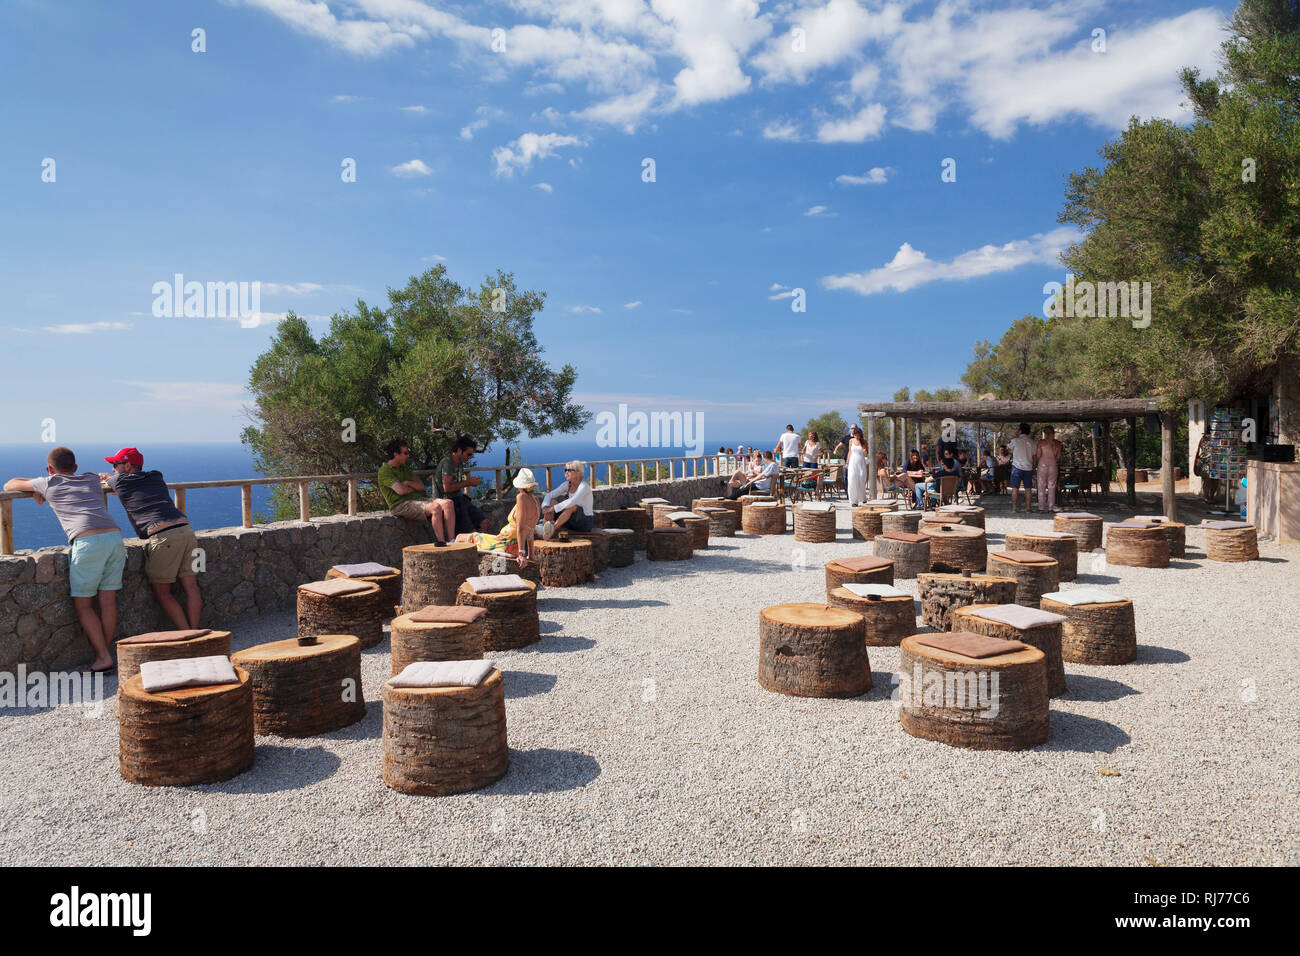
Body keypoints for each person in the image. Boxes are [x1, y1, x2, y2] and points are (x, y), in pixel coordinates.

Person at [5, 447, 122, 672]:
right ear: (75, 467)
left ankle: (103, 656)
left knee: (84, 605)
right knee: (107, 601)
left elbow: (9, 484)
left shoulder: (48, 482)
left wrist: (41, 485)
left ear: (50, 469)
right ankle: (105, 654)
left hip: (88, 542)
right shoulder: (89, 478)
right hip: (114, 537)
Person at [98, 447, 201, 630]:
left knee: (163, 593)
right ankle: (197, 630)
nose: (113, 468)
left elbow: (111, 483)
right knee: (191, 586)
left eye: (116, 464)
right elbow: (130, 487)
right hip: (187, 532)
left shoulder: (119, 481)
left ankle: (188, 634)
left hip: (164, 538)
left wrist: (106, 478)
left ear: (127, 465)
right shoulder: (156, 476)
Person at [459, 468, 541, 568]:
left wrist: (521, 554)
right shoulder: (536, 500)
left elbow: (520, 528)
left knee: (461, 537)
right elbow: (530, 530)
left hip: (504, 543)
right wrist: (530, 555)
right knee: (470, 537)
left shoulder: (521, 497)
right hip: (511, 544)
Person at [379, 438, 454, 545]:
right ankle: (441, 543)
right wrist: (409, 487)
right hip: (400, 505)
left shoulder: (404, 468)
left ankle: (452, 541)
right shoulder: (385, 471)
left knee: (448, 503)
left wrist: (407, 483)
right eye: (405, 453)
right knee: (435, 507)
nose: (408, 456)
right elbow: (400, 491)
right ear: (396, 454)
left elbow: (421, 487)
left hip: (416, 499)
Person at [435, 435, 490, 535]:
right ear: (459, 450)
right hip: (450, 502)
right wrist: (468, 482)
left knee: (484, 523)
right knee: (471, 532)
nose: (469, 458)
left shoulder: (459, 463)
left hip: (460, 499)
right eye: (468, 454)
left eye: (471, 455)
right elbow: (446, 488)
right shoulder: (448, 463)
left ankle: (480, 547)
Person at [540, 460, 594, 537]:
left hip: (584, 523)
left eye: (569, 470)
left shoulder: (584, 487)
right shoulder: (567, 485)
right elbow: (549, 495)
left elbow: (572, 501)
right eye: (565, 470)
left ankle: (551, 530)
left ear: (578, 472)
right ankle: (544, 527)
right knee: (552, 501)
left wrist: (553, 508)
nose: (566, 472)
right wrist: (545, 507)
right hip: (570, 521)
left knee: (572, 506)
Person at [1007, 423, 1037, 512]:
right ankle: (1028, 508)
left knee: (1015, 488)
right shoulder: (1032, 442)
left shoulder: (1015, 440)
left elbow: (1008, 448)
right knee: (1028, 489)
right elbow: (1034, 456)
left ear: (1020, 431)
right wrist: (1034, 466)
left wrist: (1016, 436)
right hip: (1028, 467)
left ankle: (1014, 508)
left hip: (1016, 467)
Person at [1034, 425, 1064, 513]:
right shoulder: (1058, 443)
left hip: (1042, 465)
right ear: (1053, 433)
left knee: (1041, 486)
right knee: (1052, 487)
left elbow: (1039, 455)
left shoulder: (1041, 442)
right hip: (1053, 465)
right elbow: (1058, 456)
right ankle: (1051, 508)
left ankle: (1041, 508)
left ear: (1044, 433)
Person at [1194, 434, 1221, 504]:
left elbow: (1199, 448)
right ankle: (1211, 497)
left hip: (1204, 462)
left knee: (1206, 481)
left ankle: (1206, 497)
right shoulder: (1218, 438)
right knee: (1215, 480)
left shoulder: (1203, 438)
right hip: (1215, 462)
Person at [845, 426, 868, 505]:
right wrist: (847, 463)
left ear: (860, 435)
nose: (856, 436)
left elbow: (866, 453)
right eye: (855, 435)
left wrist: (865, 451)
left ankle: (863, 498)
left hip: (861, 461)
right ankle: (853, 501)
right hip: (852, 462)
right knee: (852, 480)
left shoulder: (864, 442)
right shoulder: (851, 441)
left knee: (861, 480)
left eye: (858, 435)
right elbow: (849, 452)